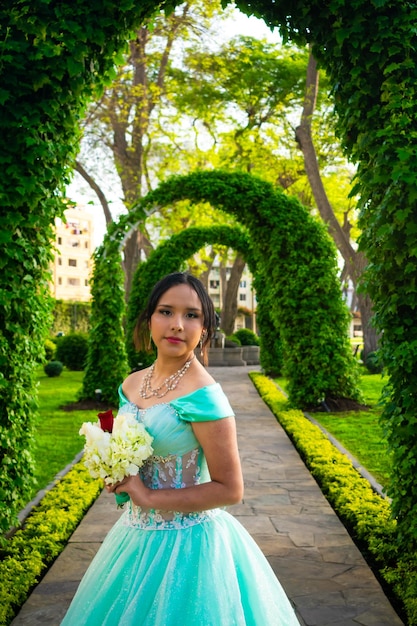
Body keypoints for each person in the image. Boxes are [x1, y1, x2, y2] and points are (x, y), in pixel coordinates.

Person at [61, 272, 300, 626]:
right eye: (166, 311)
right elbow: (132, 451)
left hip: (190, 547)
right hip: (133, 536)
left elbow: (231, 490)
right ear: (149, 320)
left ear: (204, 329)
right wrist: (116, 473)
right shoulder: (131, 384)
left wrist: (149, 497)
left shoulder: (204, 396)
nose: (177, 324)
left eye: (191, 315)